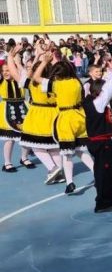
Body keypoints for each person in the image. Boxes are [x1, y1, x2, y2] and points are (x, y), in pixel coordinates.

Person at [32, 53, 95, 194]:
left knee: (67, 154)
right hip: (79, 117)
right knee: (81, 150)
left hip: (65, 118)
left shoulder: (56, 84)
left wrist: (44, 62)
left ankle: (69, 182)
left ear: (57, 74)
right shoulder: (76, 82)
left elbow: (36, 77)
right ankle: (96, 172)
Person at [6, 44, 63, 184]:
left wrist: (10, 57)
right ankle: (60, 172)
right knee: (54, 146)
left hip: (38, 115)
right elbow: (59, 64)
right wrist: (48, 56)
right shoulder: (55, 82)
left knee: (35, 145)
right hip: (55, 114)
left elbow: (14, 73)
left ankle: (53, 168)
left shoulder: (33, 83)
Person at [83, 55, 112, 213]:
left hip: (99, 142)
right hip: (101, 143)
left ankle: (109, 197)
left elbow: (105, 87)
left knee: (107, 171)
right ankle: (102, 202)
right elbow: (107, 90)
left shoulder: (90, 99)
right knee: (104, 172)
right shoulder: (98, 104)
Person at [0, 47, 33, 172]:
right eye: (3, 71)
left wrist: (17, 62)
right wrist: (10, 55)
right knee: (10, 139)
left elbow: (24, 72)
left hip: (23, 107)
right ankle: (7, 162)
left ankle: (24, 158)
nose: (6, 73)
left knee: (27, 136)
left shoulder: (20, 79)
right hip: (7, 110)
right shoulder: (1, 81)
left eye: (8, 70)